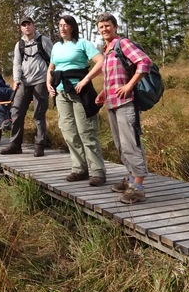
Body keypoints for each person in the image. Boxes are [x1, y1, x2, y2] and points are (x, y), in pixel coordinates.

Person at [95, 12, 151, 204]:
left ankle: (138, 187)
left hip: (126, 103)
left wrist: (129, 85)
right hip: (111, 103)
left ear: (115, 27)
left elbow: (144, 62)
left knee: (130, 144)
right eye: (101, 27)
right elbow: (112, 76)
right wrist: (103, 92)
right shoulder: (107, 49)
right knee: (120, 145)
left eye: (108, 25)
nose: (104, 29)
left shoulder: (122, 43)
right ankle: (130, 178)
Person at [46, 15, 106, 187]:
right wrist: (48, 84)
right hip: (61, 93)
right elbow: (51, 68)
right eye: (60, 25)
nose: (63, 28)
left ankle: (98, 171)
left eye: (66, 25)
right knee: (68, 131)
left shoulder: (82, 43)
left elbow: (101, 61)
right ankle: (79, 168)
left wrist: (86, 79)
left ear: (72, 27)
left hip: (80, 92)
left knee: (86, 131)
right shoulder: (56, 46)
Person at [0, 16, 53, 157]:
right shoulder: (19, 44)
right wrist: (16, 79)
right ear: (21, 28)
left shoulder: (44, 40)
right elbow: (17, 63)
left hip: (41, 80)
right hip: (24, 81)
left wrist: (51, 78)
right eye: (23, 25)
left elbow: (54, 60)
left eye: (28, 24)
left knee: (38, 114)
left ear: (33, 25)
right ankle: (15, 144)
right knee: (16, 112)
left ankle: (40, 144)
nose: (26, 27)